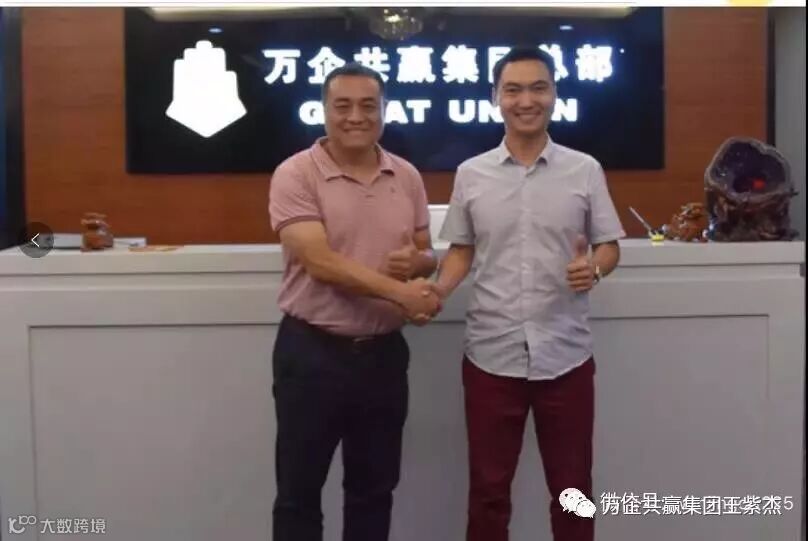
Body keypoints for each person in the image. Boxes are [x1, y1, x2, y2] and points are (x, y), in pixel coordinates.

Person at [433, 46, 625, 541]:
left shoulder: (584, 169)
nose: (526, 100)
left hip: (566, 356)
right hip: (490, 357)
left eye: (538, 88)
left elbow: (609, 246)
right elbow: (461, 250)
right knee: (488, 492)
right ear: (495, 97)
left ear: (554, 94)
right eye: (513, 89)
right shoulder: (471, 173)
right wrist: (434, 294)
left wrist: (594, 269)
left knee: (573, 491)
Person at [268, 62, 441, 541]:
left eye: (368, 106)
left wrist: (421, 264)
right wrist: (401, 293)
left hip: (383, 358)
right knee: (299, 495)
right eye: (342, 105)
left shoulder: (406, 175)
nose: (355, 116)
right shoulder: (296, 174)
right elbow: (320, 262)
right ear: (323, 110)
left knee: (374, 492)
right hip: (312, 354)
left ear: (384, 110)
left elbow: (426, 253)